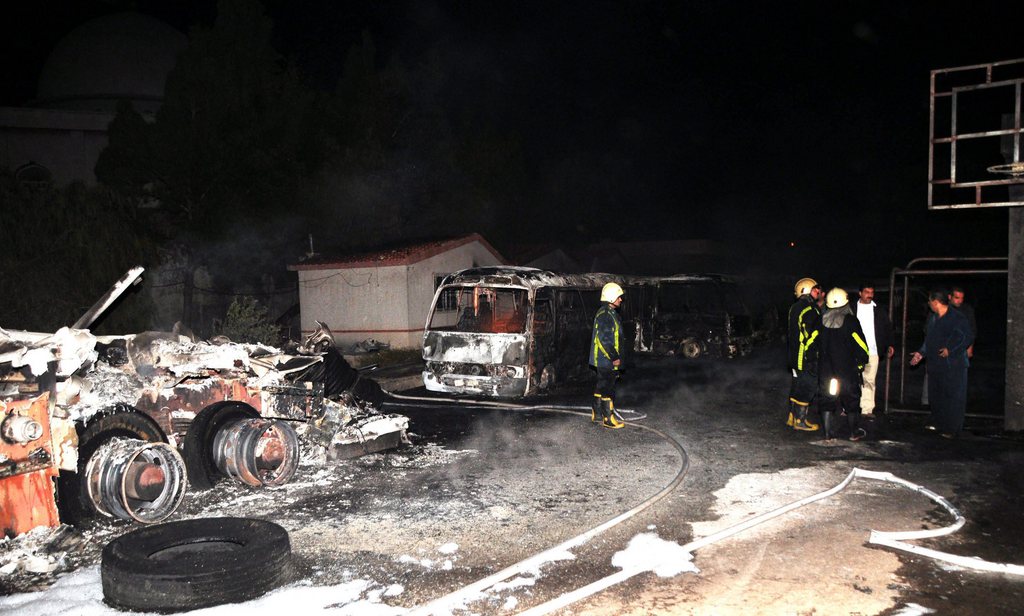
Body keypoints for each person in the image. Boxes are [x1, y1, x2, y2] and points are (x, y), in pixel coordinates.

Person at [910, 290, 974, 437]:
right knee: (937, 395)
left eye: (930, 302)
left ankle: (952, 429)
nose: (929, 304)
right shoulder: (933, 318)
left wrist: (950, 349)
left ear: (936, 302)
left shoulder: (957, 317)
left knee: (953, 396)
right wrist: (921, 353)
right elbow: (929, 340)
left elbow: (967, 337)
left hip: (954, 365)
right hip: (936, 364)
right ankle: (940, 423)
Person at [817, 288, 870, 440]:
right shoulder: (851, 321)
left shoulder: (820, 321)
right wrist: (861, 362)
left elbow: (811, 342)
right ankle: (853, 433)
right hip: (847, 370)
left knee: (826, 399)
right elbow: (861, 345)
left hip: (826, 371)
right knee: (851, 399)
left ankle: (828, 434)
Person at [786, 277, 822, 431]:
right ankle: (800, 421)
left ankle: (792, 417)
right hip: (805, 356)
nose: (818, 292)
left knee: (797, 384)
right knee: (808, 385)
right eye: (815, 290)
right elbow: (811, 333)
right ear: (808, 291)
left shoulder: (794, 307)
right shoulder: (810, 309)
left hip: (794, 355)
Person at [590, 282, 626, 429]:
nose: (621, 300)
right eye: (619, 297)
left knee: (601, 385)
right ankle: (608, 419)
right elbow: (604, 340)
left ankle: (596, 413)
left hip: (602, 360)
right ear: (611, 298)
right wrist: (614, 358)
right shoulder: (606, 315)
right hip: (606, 360)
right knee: (608, 389)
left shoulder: (607, 312)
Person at [855, 284, 894, 416]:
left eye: (872, 292)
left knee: (869, 380)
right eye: (866, 291)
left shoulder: (879, 310)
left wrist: (889, 344)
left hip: (873, 351)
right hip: (854, 351)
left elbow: (888, 328)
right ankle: (850, 407)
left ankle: (867, 409)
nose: (869, 294)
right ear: (860, 293)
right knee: (852, 379)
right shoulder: (852, 309)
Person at [949, 286, 976, 359]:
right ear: (949, 297)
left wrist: (970, 347)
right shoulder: (942, 308)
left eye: (962, 298)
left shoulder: (967, 309)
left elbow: (972, 328)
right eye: (957, 298)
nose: (960, 301)